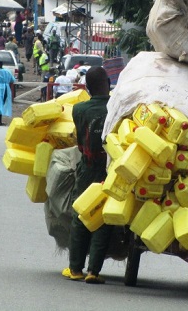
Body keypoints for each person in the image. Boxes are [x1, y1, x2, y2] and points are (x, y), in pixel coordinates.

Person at [62, 66, 112, 284]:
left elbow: (79, 139)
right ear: (108, 84)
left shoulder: (79, 110)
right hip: (112, 169)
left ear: (88, 88)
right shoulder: (117, 108)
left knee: (80, 213)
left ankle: (75, 268)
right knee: (104, 215)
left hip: (87, 167)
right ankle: (94, 271)